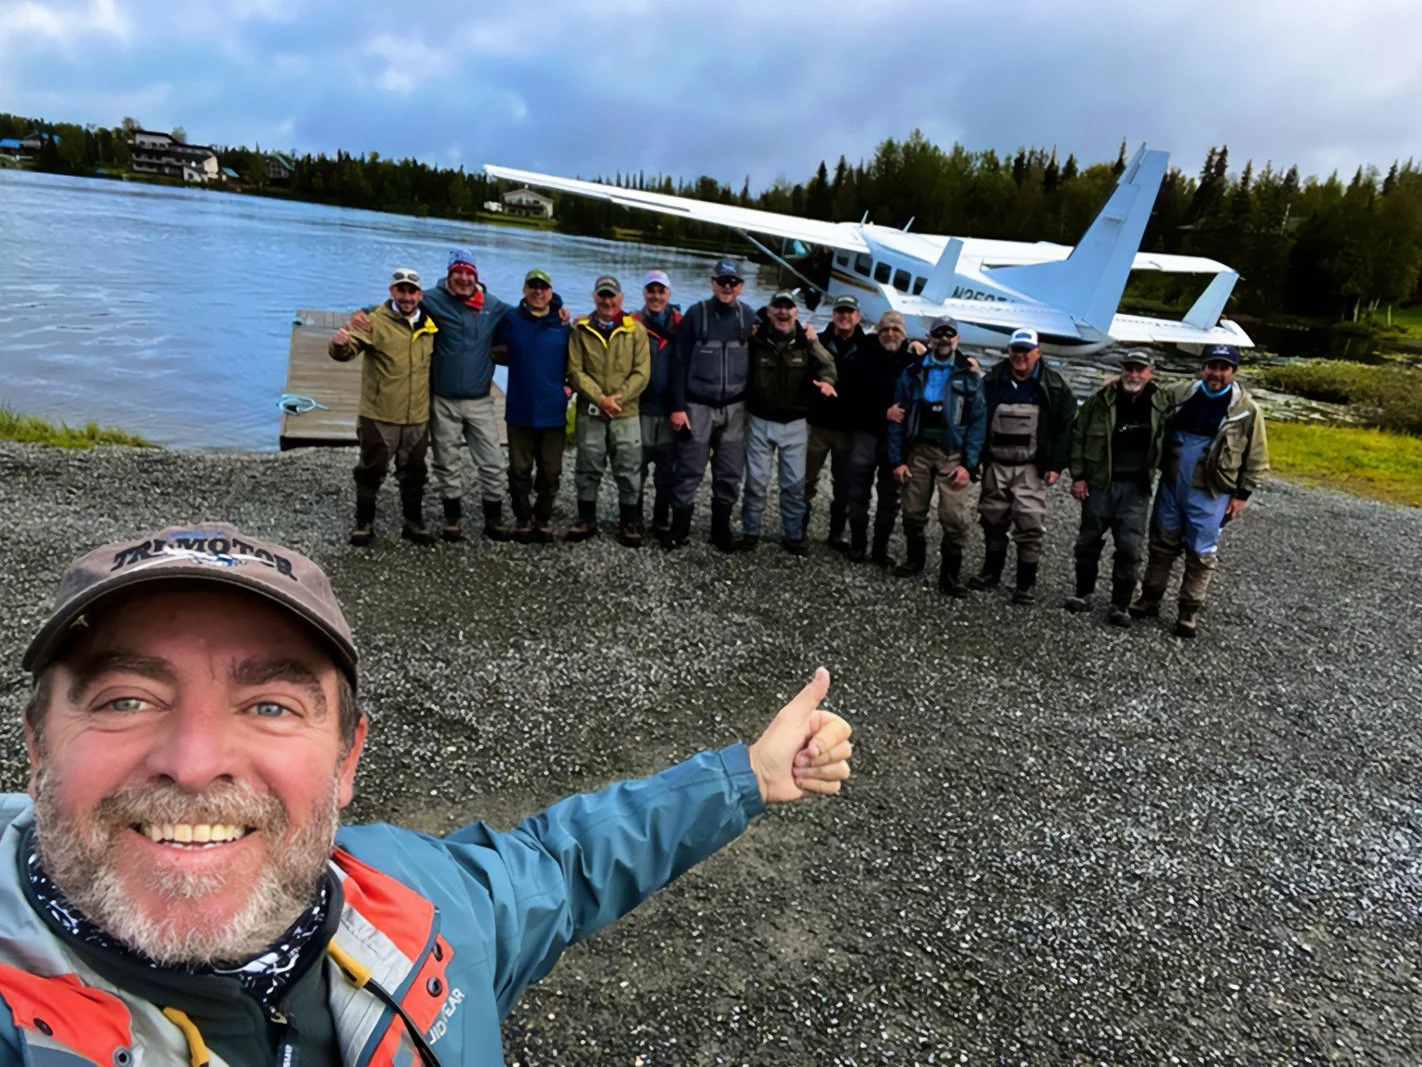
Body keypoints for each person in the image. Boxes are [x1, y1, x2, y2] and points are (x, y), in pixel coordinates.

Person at [2, 524, 853, 1064]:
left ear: (346, 759)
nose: (192, 761)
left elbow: (565, 862)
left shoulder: (417, 900)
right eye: (126, 700)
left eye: (270, 705)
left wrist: (745, 775)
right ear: (37, 747)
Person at [1131, 343, 1269, 637]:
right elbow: (1145, 398)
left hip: (1210, 492)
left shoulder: (1246, 410)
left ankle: (1188, 613)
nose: (1216, 373)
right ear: (1203, 367)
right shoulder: (1181, 393)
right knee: (1160, 545)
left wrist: (1241, 496)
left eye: (1223, 368)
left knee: (1201, 553)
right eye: (1212, 366)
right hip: (1171, 484)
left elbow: (1256, 458)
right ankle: (1149, 600)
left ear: (1233, 371)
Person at [328, 267, 439, 547]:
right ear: (392, 292)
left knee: (414, 473)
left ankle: (413, 523)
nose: (406, 296)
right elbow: (348, 349)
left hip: (416, 416)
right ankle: (364, 524)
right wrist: (340, 344)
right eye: (401, 290)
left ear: (420, 294)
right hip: (380, 415)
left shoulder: (430, 325)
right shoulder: (375, 321)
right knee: (370, 471)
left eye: (411, 291)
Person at [970, 327, 1077, 604]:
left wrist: (1056, 465)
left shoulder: (1054, 386)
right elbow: (975, 419)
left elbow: (1066, 428)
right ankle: (990, 573)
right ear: (1009, 351)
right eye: (1016, 350)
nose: (1020, 356)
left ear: (1037, 353)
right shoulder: (992, 380)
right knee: (992, 518)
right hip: (996, 463)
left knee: (1029, 523)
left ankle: (1025, 584)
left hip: (1030, 466)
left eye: (1026, 351)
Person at [1065, 350, 1171, 626]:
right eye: (1129, 368)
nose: (1134, 375)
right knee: (1088, 542)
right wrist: (1078, 475)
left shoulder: (1162, 403)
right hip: (1100, 484)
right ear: (1122, 369)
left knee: (1129, 548)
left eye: (1140, 369)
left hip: (1135, 489)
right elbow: (1078, 436)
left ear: (1151, 371)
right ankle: (1083, 594)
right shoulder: (1100, 400)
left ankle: (1120, 605)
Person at [887, 315, 987, 596]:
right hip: (917, 451)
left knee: (954, 517)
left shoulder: (970, 375)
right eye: (939, 333)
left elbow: (978, 423)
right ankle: (914, 560)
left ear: (957, 338)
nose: (944, 338)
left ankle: (950, 575)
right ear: (930, 338)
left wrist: (969, 464)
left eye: (950, 333)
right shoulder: (911, 372)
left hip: (952, 453)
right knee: (912, 511)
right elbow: (897, 418)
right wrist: (897, 460)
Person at [668, 258, 758, 552]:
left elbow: (774, 343)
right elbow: (679, 362)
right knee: (690, 468)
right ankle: (679, 527)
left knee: (730, 471)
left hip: (735, 407)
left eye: (733, 283)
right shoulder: (697, 314)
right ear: (712, 283)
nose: (727, 287)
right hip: (697, 405)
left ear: (741, 287)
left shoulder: (749, 318)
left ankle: (721, 529)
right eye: (722, 281)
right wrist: (677, 406)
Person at [740, 290, 838, 556]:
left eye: (788, 307)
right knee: (756, 482)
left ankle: (793, 535)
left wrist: (827, 383)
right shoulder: (755, 339)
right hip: (760, 421)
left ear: (796, 312)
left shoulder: (807, 340)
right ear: (769, 310)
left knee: (794, 484)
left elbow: (828, 365)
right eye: (778, 307)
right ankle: (750, 531)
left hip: (795, 424)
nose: (783, 312)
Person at [565, 275, 652, 547]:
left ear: (621, 298)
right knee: (588, 465)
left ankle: (629, 522)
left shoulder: (635, 330)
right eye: (602, 295)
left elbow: (642, 372)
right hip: (590, 411)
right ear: (594, 297)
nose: (607, 300)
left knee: (628, 467)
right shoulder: (580, 330)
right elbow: (575, 372)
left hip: (625, 412)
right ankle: (587, 519)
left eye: (611, 295)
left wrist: (618, 398)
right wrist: (600, 399)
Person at [495, 269, 572, 543]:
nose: (538, 292)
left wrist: (570, 386)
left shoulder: (563, 325)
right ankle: (523, 518)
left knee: (551, 471)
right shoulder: (510, 320)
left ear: (551, 292)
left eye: (544, 287)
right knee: (518, 469)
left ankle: (543, 518)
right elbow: (485, 338)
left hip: (553, 411)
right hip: (519, 409)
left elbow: (575, 363)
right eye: (533, 286)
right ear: (524, 290)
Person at [843, 311, 920, 566]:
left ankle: (879, 549)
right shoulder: (862, 356)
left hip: (894, 441)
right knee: (857, 492)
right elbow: (849, 399)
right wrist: (882, 412)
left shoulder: (913, 361)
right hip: (865, 433)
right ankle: (857, 543)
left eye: (896, 330)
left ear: (905, 334)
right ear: (878, 331)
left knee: (889, 497)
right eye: (885, 329)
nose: (890, 334)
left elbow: (947, 358)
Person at [804, 295, 868, 552]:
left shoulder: (868, 345)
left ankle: (836, 533)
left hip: (847, 429)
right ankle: (798, 530)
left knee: (843, 483)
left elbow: (894, 352)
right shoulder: (816, 340)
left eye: (850, 312)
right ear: (833, 314)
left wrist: (916, 348)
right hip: (817, 424)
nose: (844, 316)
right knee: (806, 480)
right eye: (840, 311)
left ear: (858, 316)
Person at [631, 270, 681, 543]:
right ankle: (634, 518)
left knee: (667, 470)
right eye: (651, 290)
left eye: (661, 291)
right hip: (640, 409)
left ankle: (661, 519)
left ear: (669, 294)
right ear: (644, 294)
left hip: (670, 411)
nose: (656, 296)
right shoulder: (632, 322)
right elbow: (602, 319)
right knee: (636, 466)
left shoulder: (682, 325)